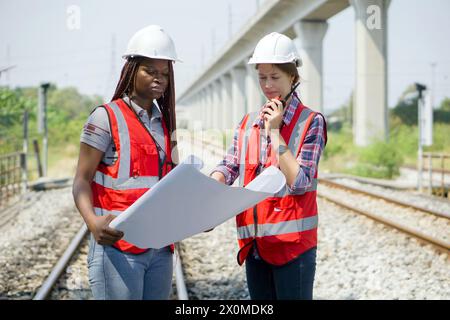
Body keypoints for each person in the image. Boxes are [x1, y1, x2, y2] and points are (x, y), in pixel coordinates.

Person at [210, 32, 327, 300]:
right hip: (255, 246)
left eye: (275, 77)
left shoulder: (311, 122)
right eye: (262, 77)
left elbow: (300, 182)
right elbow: (229, 166)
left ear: (293, 77)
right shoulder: (248, 122)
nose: (268, 85)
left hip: (293, 248)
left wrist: (275, 133)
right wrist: (211, 188)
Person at [72, 25, 180, 300]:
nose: (159, 79)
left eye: (165, 74)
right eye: (151, 71)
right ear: (132, 71)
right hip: (119, 248)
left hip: (159, 249)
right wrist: (92, 222)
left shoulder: (163, 124)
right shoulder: (105, 118)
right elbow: (81, 181)